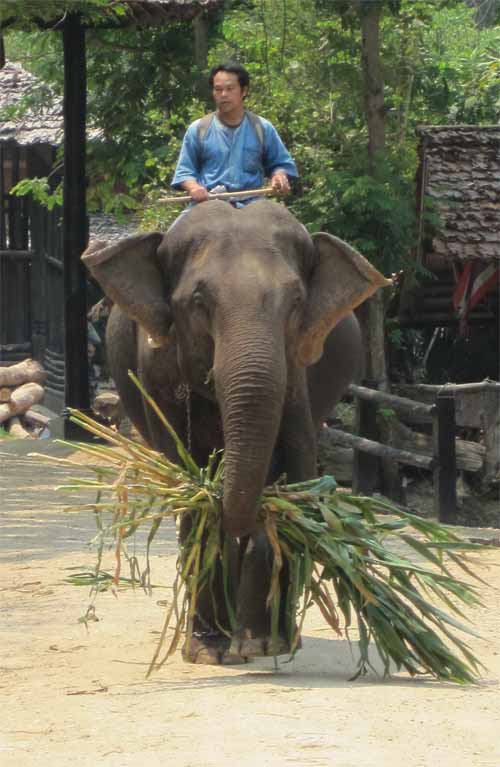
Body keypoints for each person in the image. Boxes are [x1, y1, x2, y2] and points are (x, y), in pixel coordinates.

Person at [171, 62, 298, 206]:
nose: (223, 94)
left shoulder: (262, 128)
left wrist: (279, 176)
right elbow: (184, 171)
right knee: (177, 229)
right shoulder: (199, 128)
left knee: (290, 227)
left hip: (253, 204)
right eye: (218, 89)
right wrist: (194, 188)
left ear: (243, 91)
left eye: (230, 89)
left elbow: (280, 163)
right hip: (208, 203)